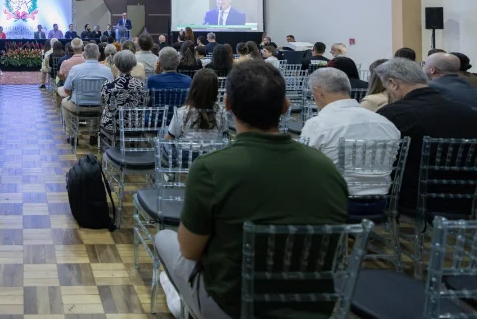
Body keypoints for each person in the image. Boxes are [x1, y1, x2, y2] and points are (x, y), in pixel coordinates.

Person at [155, 61, 348, 319]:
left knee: (164, 239)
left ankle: (182, 302)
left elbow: (190, 251)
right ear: (285, 106)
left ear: (227, 105)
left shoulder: (210, 170)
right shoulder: (328, 169)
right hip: (313, 306)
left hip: (235, 306)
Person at [375, 58, 477, 214]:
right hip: (466, 197)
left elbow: (380, 160)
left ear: (393, 83)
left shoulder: (393, 114)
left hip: (412, 199)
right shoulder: (469, 114)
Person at [301, 68, 400, 201]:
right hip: (381, 199)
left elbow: (304, 166)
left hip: (330, 200)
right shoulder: (387, 124)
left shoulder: (318, 125)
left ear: (318, 92)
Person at [59, 43, 112, 132]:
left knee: (64, 102)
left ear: (84, 55)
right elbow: (110, 91)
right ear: (99, 55)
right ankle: (93, 133)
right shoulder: (107, 70)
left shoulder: (75, 69)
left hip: (78, 106)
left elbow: (66, 90)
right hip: (99, 107)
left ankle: (71, 133)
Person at [166, 68, 227, 139]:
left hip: (186, 149)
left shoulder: (181, 113)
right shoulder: (221, 112)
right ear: (215, 89)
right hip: (215, 150)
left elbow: (169, 140)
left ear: (193, 87)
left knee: (166, 130)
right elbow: (224, 137)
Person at [100, 50, 147, 139]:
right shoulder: (141, 86)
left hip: (112, 125)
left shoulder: (108, 85)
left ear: (116, 65)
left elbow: (103, 103)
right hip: (135, 125)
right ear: (133, 65)